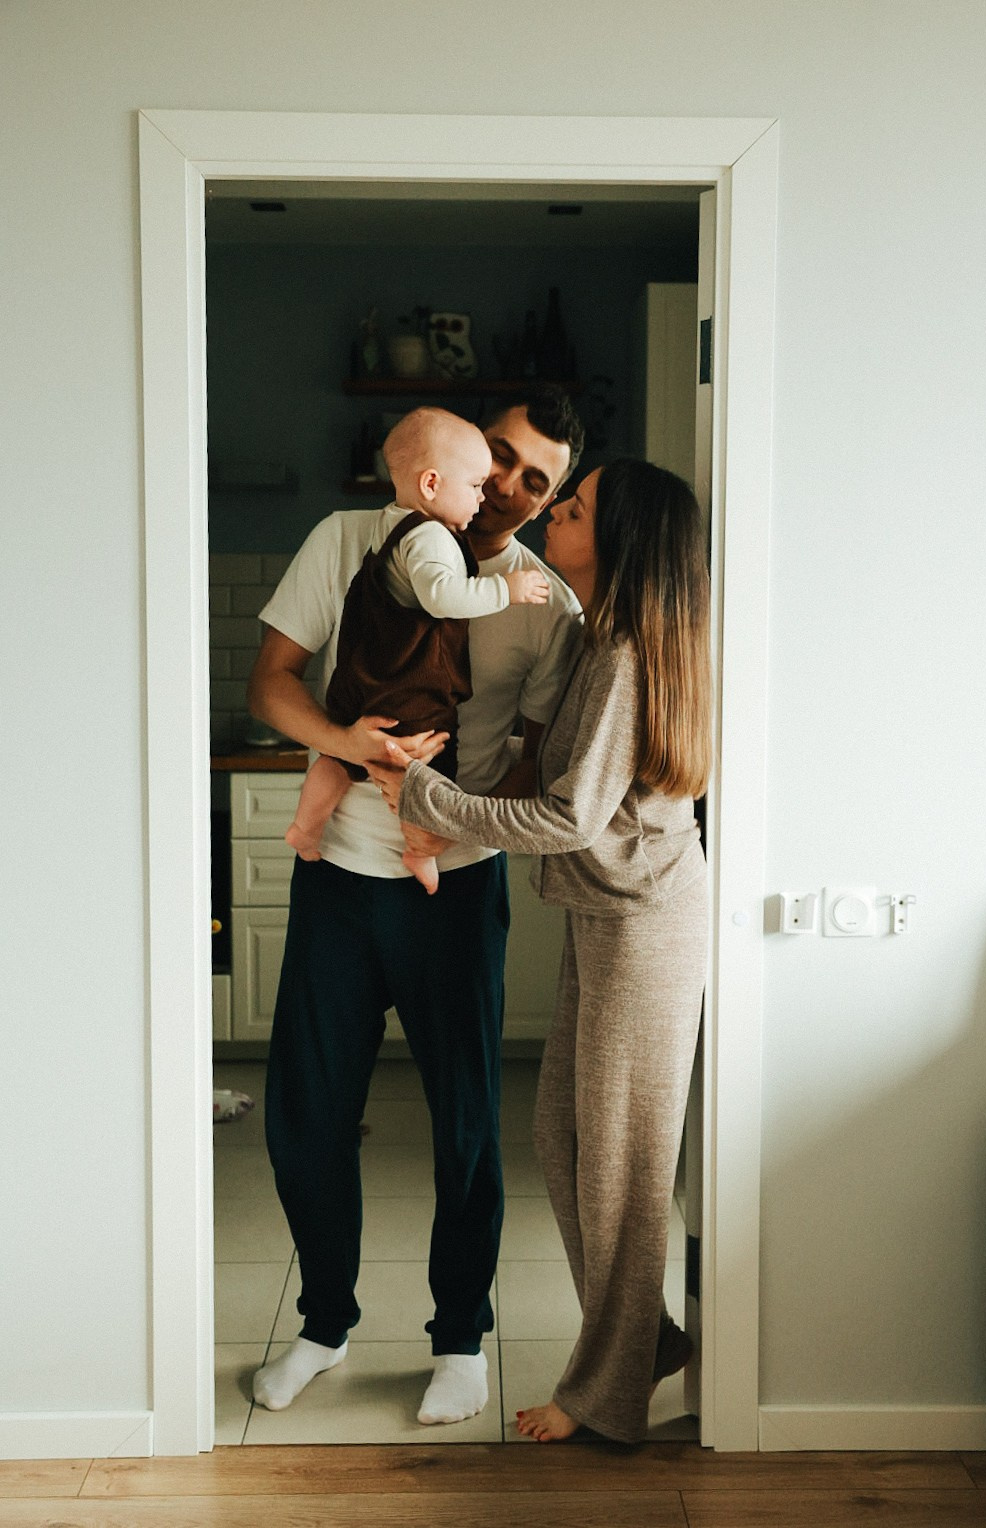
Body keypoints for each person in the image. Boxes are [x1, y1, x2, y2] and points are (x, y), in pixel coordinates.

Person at [246, 385, 585, 1424]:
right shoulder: (351, 536)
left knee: (465, 1129)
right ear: (451, 457)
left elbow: (536, 755)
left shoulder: (536, 600)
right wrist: (353, 751)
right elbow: (273, 683)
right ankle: (324, 1322)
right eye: (501, 456)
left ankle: (458, 1338)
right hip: (337, 882)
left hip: (456, 888)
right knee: (306, 1119)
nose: (511, 488)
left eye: (538, 480)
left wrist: (458, 816)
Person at [368, 458, 712, 1444]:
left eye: (574, 506)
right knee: (562, 1139)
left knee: (618, 1166)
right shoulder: (605, 636)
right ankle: (643, 1343)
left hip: (642, 927)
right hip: (610, 916)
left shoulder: (624, 656)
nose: (553, 514)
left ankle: (605, 1394)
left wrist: (425, 799)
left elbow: (566, 815)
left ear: (621, 540)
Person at [285, 408, 550, 892]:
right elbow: (443, 596)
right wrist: (506, 590)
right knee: (428, 775)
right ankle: (418, 849)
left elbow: (541, 759)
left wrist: (347, 742)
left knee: (335, 765)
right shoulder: (430, 535)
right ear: (431, 484)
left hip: (362, 689)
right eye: (478, 481)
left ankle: (306, 824)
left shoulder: (392, 525)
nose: (490, 490)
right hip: (405, 697)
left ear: (545, 503)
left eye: (534, 481)